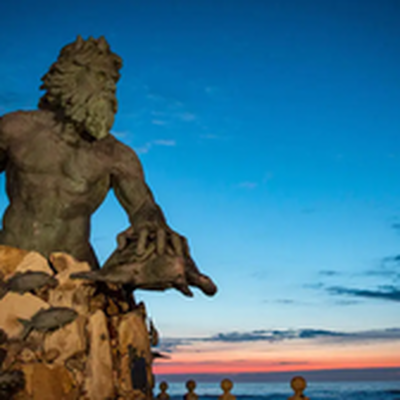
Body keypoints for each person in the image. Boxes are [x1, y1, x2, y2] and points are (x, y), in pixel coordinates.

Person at [0, 35, 216, 296]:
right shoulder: (16, 130)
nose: (110, 89)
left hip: (77, 272)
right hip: (9, 262)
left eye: (113, 82)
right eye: (101, 78)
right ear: (72, 76)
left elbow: (143, 207)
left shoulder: (117, 156)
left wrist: (154, 226)